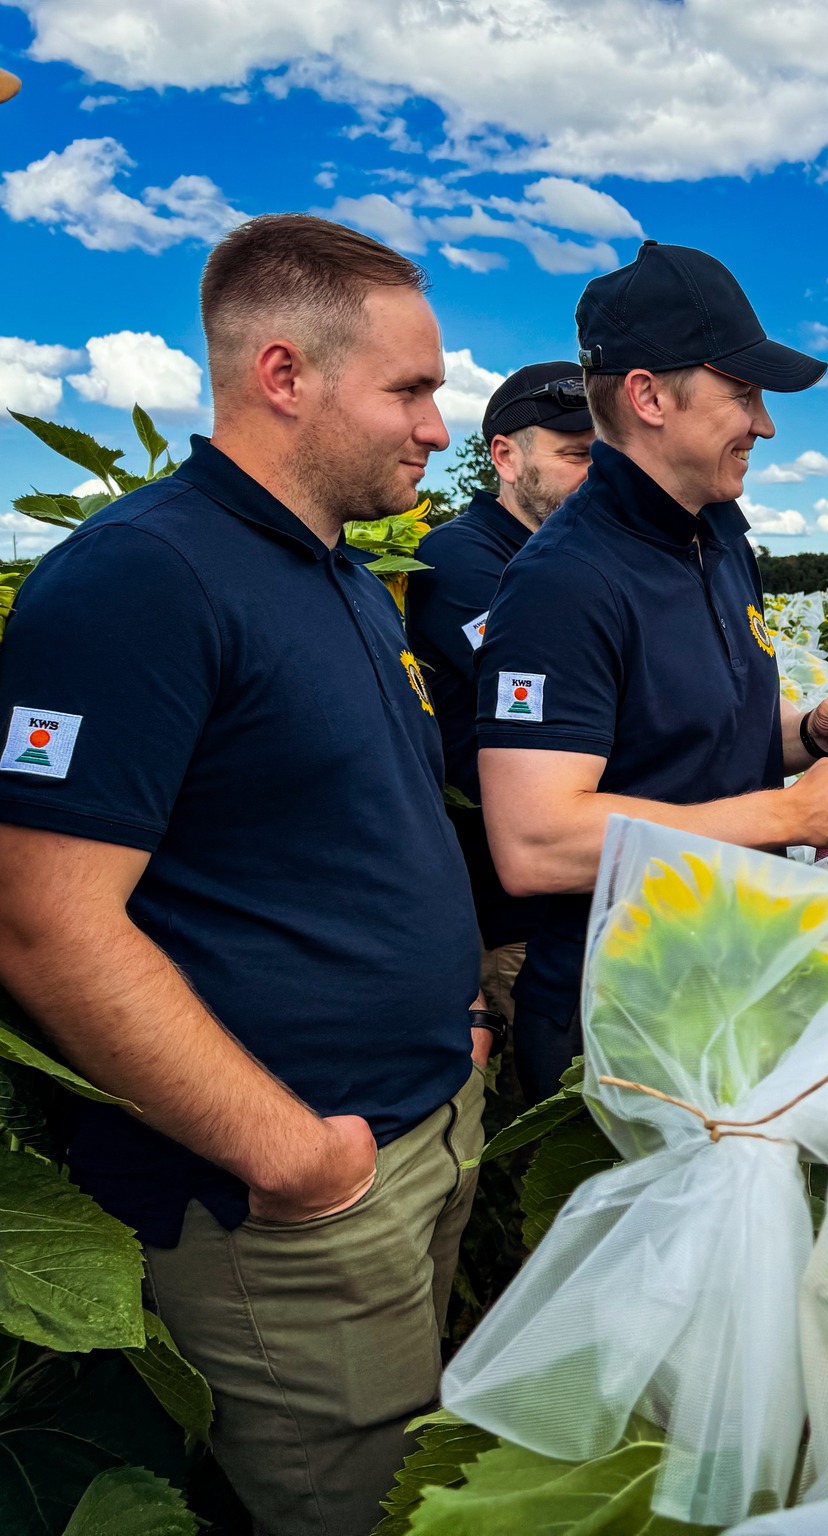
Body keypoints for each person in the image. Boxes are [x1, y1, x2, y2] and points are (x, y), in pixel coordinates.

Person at [0, 215, 490, 1534]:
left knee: (417, 1470)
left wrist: (458, 1022)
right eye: (411, 388)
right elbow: (46, 927)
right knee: (359, 1514)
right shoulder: (139, 584)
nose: (439, 428)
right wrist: (290, 1155)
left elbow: (352, 839)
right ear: (283, 374)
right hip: (293, 1203)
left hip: (423, 1132)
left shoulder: (328, 574)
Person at [474, 241, 828, 1102]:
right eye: (742, 393)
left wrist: (808, 732)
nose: (765, 423)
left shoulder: (720, 538)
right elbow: (535, 840)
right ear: (649, 396)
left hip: (731, 974)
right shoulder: (566, 580)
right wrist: (786, 811)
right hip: (625, 1012)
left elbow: (692, 735)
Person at [406, 362, 594, 1030]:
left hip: (583, 893)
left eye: (607, 454)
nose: (597, 473)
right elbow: (581, 700)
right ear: (506, 457)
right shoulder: (462, 560)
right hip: (516, 920)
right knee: (541, 1108)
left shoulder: (577, 560)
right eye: (575, 454)